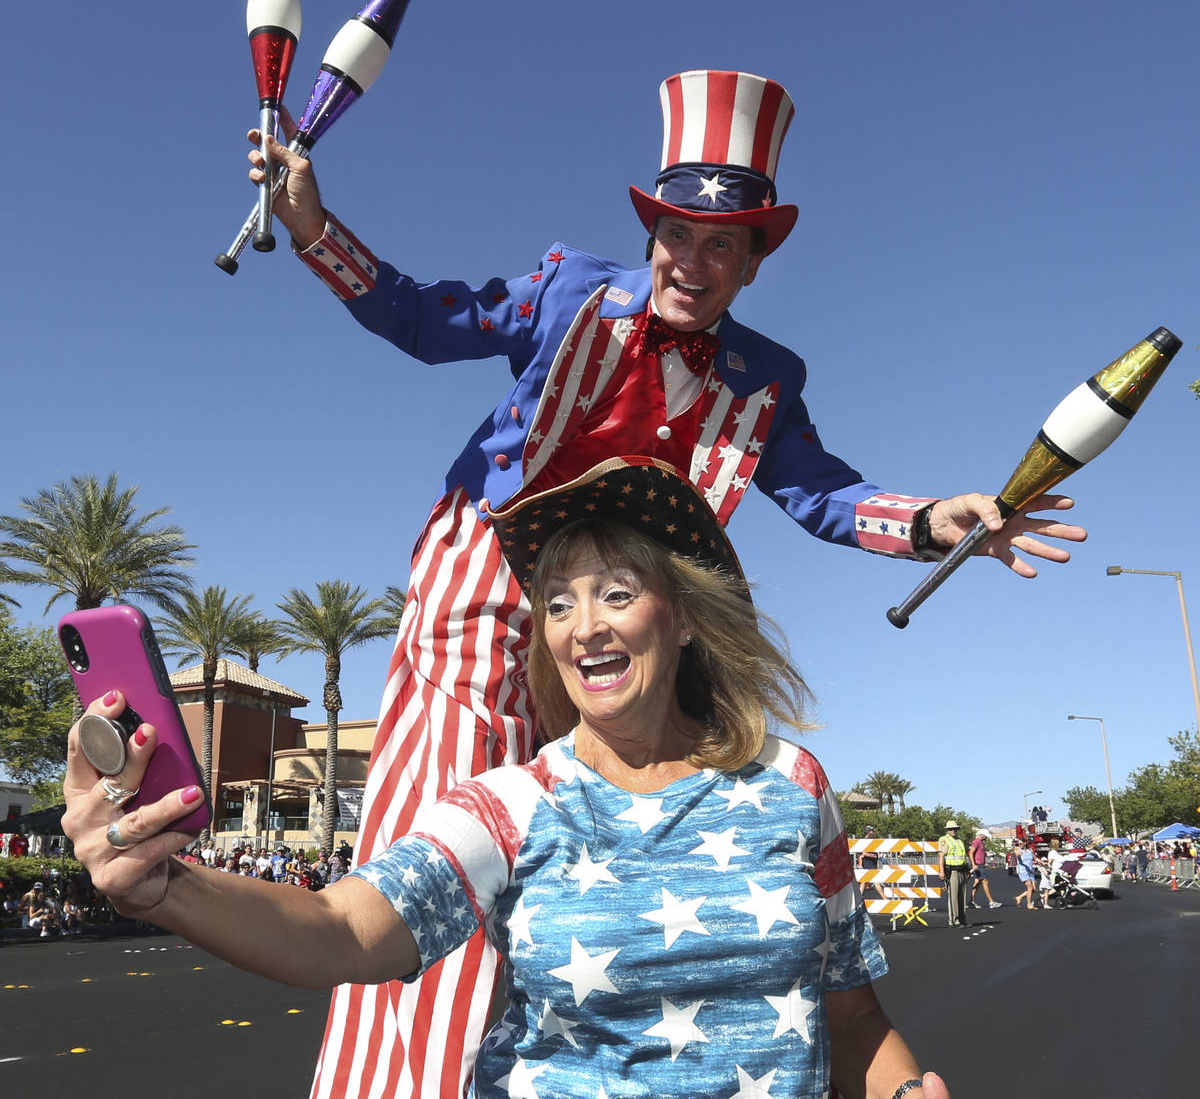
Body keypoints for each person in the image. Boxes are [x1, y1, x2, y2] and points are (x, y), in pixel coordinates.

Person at [250, 69, 1083, 1098]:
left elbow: (820, 492)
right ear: (651, 234)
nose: (692, 260)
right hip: (488, 594)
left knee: (626, 867)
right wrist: (313, 225)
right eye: (677, 234)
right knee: (442, 860)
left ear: (753, 262)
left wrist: (926, 521)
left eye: (720, 245)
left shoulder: (766, 379)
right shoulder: (570, 291)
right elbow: (425, 319)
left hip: (641, 629)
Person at [63, 456, 950, 1099]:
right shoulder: (510, 805)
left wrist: (908, 1091)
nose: (582, 625)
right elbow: (342, 930)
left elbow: (853, 1020)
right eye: (557, 602)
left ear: (682, 618)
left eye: (616, 592)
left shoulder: (793, 785)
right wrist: (164, 886)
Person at [937, 820, 970, 927]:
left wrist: (967, 870)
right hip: (952, 871)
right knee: (953, 897)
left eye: (955, 829)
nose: (953, 831)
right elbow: (941, 856)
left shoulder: (959, 841)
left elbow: (963, 856)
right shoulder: (944, 840)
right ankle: (954, 920)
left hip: (962, 870)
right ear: (947, 830)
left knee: (962, 897)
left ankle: (962, 920)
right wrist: (941, 871)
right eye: (951, 829)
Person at [967, 830, 1002, 910]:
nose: (986, 837)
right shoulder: (976, 842)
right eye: (985, 836)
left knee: (977, 882)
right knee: (985, 881)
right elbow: (971, 853)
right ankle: (991, 902)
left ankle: (970, 902)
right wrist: (973, 864)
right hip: (978, 865)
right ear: (982, 835)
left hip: (980, 865)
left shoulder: (981, 842)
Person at [1013, 840, 1041, 909]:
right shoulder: (1017, 849)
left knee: (1033, 889)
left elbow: (1035, 858)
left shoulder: (1030, 850)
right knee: (1030, 887)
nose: (1019, 844)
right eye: (1018, 843)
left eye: (1021, 843)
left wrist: (1043, 862)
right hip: (1023, 871)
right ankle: (1029, 905)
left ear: (1025, 843)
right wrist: (1018, 853)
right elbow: (1017, 855)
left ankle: (1019, 897)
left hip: (1030, 871)